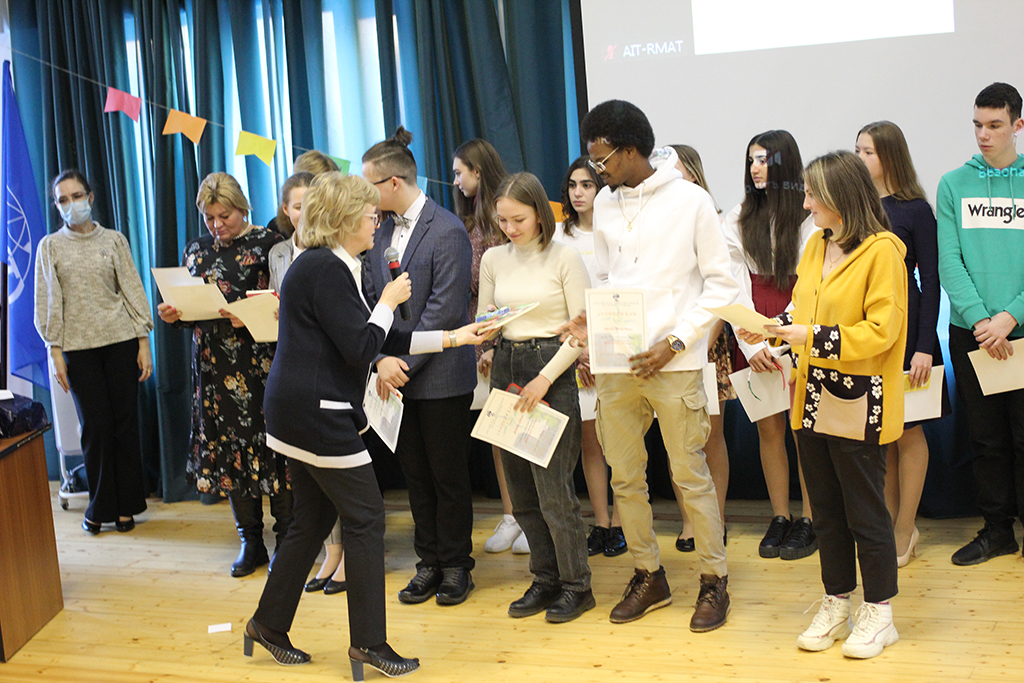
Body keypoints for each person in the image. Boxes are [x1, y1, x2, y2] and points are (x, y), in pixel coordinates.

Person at [243, 172, 491, 677]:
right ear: (343, 220)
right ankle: (369, 644)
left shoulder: (332, 264)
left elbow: (386, 337)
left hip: (298, 411)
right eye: (370, 216)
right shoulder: (324, 268)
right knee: (366, 519)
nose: (377, 224)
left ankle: (267, 624)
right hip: (317, 414)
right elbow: (362, 347)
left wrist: (454, 337)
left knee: (311, 520)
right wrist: (387, 302)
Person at [570, 100, 739, 631]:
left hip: (675, 360)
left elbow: (722, 285)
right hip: (618, 363)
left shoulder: (691, 201)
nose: (597, 170)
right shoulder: (606, 204)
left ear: (631, 150)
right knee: (625, 477)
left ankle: (714, 580)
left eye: (602, 160)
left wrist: (677, 340)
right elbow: (609, 279)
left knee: (690, 476)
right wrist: (593, 322)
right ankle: (649, 574)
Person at [739, 150, 907, 659]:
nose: (806, 203)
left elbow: (881, 332)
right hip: (811, 398)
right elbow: (802, 306)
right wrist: (774, 331)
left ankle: (880, 612)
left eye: (813, 195)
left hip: (861, 401)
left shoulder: (883, 252)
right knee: (827, 514)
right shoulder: (816, 243)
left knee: (865, 513)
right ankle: (837, 602)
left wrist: (807, 335)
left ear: (840, 197)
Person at [361, 127, 479, 605]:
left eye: (369, 185)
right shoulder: (378, 231)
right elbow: (371, 300)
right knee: (416, 477)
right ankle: (427, 561)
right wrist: (379, 359)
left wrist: (400, 364)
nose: (365, 195)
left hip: (440, 376)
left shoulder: (446, 229)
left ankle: (456, 565)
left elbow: (445, 311)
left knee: (448, 478)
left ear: (393, 182)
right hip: (393, 376)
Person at [157, 172, 291, 577]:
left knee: (272, 450)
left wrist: (249, 313)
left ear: (242, 208)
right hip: (213, 368)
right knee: (229, 452)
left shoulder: (269, 244)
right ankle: (251, 542)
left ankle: (287, 540)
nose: (217, 225)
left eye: (225, 216)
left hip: (260, 363)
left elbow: (284, 304)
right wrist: (174, 315)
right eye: (210, 217)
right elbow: (190, 307)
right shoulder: (196, 250)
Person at [476, 172, 594, 622]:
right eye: (502, 220)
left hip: (552, 368)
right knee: (521, 490)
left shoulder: (565, 257)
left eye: (518, 219)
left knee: (554, 491)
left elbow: (580, 333)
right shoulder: (493, 258)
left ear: (540, 215)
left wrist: (545, 379)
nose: (510, 228)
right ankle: (544, 579)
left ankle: (576, 585)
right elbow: (485, 322)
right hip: (507, 364)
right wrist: (486, 330)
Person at [34, 169, 153, 534]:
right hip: (78, 348)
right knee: (96, 427)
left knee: (124, 424)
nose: (71, 204)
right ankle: (99, 506)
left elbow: (132, 289)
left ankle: (127, 508)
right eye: (63, 199)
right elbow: (47, 301)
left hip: (120, 341)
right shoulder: (50, 247)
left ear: (91, 197)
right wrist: (54, 350)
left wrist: (144, 341)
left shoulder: (114, 240)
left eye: (76, 196)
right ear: (57, 206)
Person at [938, 82, 1024, 566]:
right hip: (973, 333)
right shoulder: (954, 184)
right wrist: (982, 320)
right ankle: (997, 531)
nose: (983, 135)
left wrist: (1011, 316)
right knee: (986, 440)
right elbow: (949, 261)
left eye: (994, 125)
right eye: (977, 125)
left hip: (1020, 329)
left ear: (1017, 125)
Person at [856, 120, 948, 567]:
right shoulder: (855, 207)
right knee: (883, 431)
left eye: (868, 152)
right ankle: (889, 523)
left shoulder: (915, 210)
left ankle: (906, 526)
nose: (859, 159)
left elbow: (930, 282)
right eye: (857, 150)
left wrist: (925, 345)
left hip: (908, 332)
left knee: (908, 430)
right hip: (867, 330)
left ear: (889, 156)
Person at [724, 130, 819, 561]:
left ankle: (812, 519)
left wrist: (781, 335)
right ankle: (781, 515)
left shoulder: (810, 215)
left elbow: (811, 286)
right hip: (753, 328)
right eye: (751, 160)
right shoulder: (738, 216)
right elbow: (733, 283)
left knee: (804, 430)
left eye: (763, 160)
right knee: (769, 429)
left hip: (800, 324)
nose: (755, 168)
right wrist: (752, 344)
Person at [452, 138, 526, 555]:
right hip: (478, 340)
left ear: (478, 171)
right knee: (497, 431)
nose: (455, 181)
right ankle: (511, 515)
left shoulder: (503, 225)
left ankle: (533, 517)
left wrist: (496, 342)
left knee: (524, 429)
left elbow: (512, 291)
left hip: (514, 338)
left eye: (460, 172)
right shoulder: (466, 226)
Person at [551, 156, 626, 558]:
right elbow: (558, 298)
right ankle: (601, 522)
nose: (578, 193)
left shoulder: (617, 230)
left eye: (587, 185)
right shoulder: (559, 236)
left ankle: (624, 522)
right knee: (589, 441)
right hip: (576, 351)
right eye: (573, 185)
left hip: (616, 347)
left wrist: (601, 349)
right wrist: (579, 351)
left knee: (620, 442)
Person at [667, 144, 731, 554]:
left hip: (706, 343)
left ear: (692, 173)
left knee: (711, 437)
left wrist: (701, 344)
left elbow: (724, 290)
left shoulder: (714, 219)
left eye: (676, 171)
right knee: (677, 439)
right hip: (669, 347)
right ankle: (690, 519)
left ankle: (715, 518)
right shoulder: (658, 223)